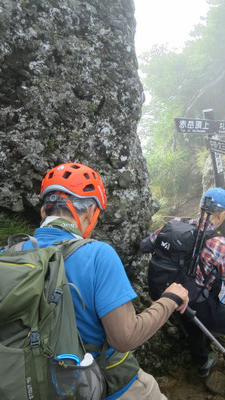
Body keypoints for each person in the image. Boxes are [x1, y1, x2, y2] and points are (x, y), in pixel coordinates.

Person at [26, 162, 189, 400]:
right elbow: (125, 337)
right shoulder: (97, 254)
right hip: (102, 384)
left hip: (32, 382)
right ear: (91, 212)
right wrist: (170, 299)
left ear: (43, 212)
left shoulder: (10, 254)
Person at [147, 187, 225, 394]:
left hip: (168, 295)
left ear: (201, 206)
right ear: (222, 214)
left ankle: (203, 363)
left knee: (192, 324)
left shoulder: (175, 224)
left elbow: (146, 244)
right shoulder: (222, 245)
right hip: (197, 300)